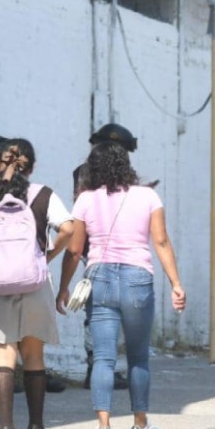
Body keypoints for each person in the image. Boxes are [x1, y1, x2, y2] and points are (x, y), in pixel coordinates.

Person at [57, 141, 186, 429]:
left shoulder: (85, 199)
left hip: (98, 278)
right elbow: (162, 242)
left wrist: (63, 287)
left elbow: (75, 250)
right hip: (137, 279)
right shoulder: (148, 196)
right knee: (138, 357)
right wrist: (176, 284)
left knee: (103, 358)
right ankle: (140, 427)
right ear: (126, 164)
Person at [0, 139, 73, 429]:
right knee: (33, 353)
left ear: (0, 164)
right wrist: (47, 254)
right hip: (35, 283)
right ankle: (36, 428)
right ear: (32, 166)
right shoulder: (44, 194)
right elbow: (69, 228)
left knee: (3, 351)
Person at [72, 123, 142, 392]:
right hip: (106, 250)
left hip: (98, 250)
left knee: (101, 314)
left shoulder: (86, 172)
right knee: (104, 314)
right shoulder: (95, 174)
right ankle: (98, 368)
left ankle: (100, 367)